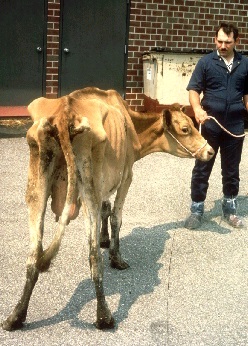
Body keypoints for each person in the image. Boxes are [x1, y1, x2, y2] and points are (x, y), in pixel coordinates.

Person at [185, 22, 248, 229]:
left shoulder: (244, 63)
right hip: (210, 124)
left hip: (235, 125)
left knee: (231, 169)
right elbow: (194, 90)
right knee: (202, 167)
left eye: (228, 42)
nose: (222, 45)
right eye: (219, 41)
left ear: (236, 41)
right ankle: (196, 209)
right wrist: (197, 110)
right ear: (215, 40)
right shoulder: (206, 63)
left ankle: (229, 209)